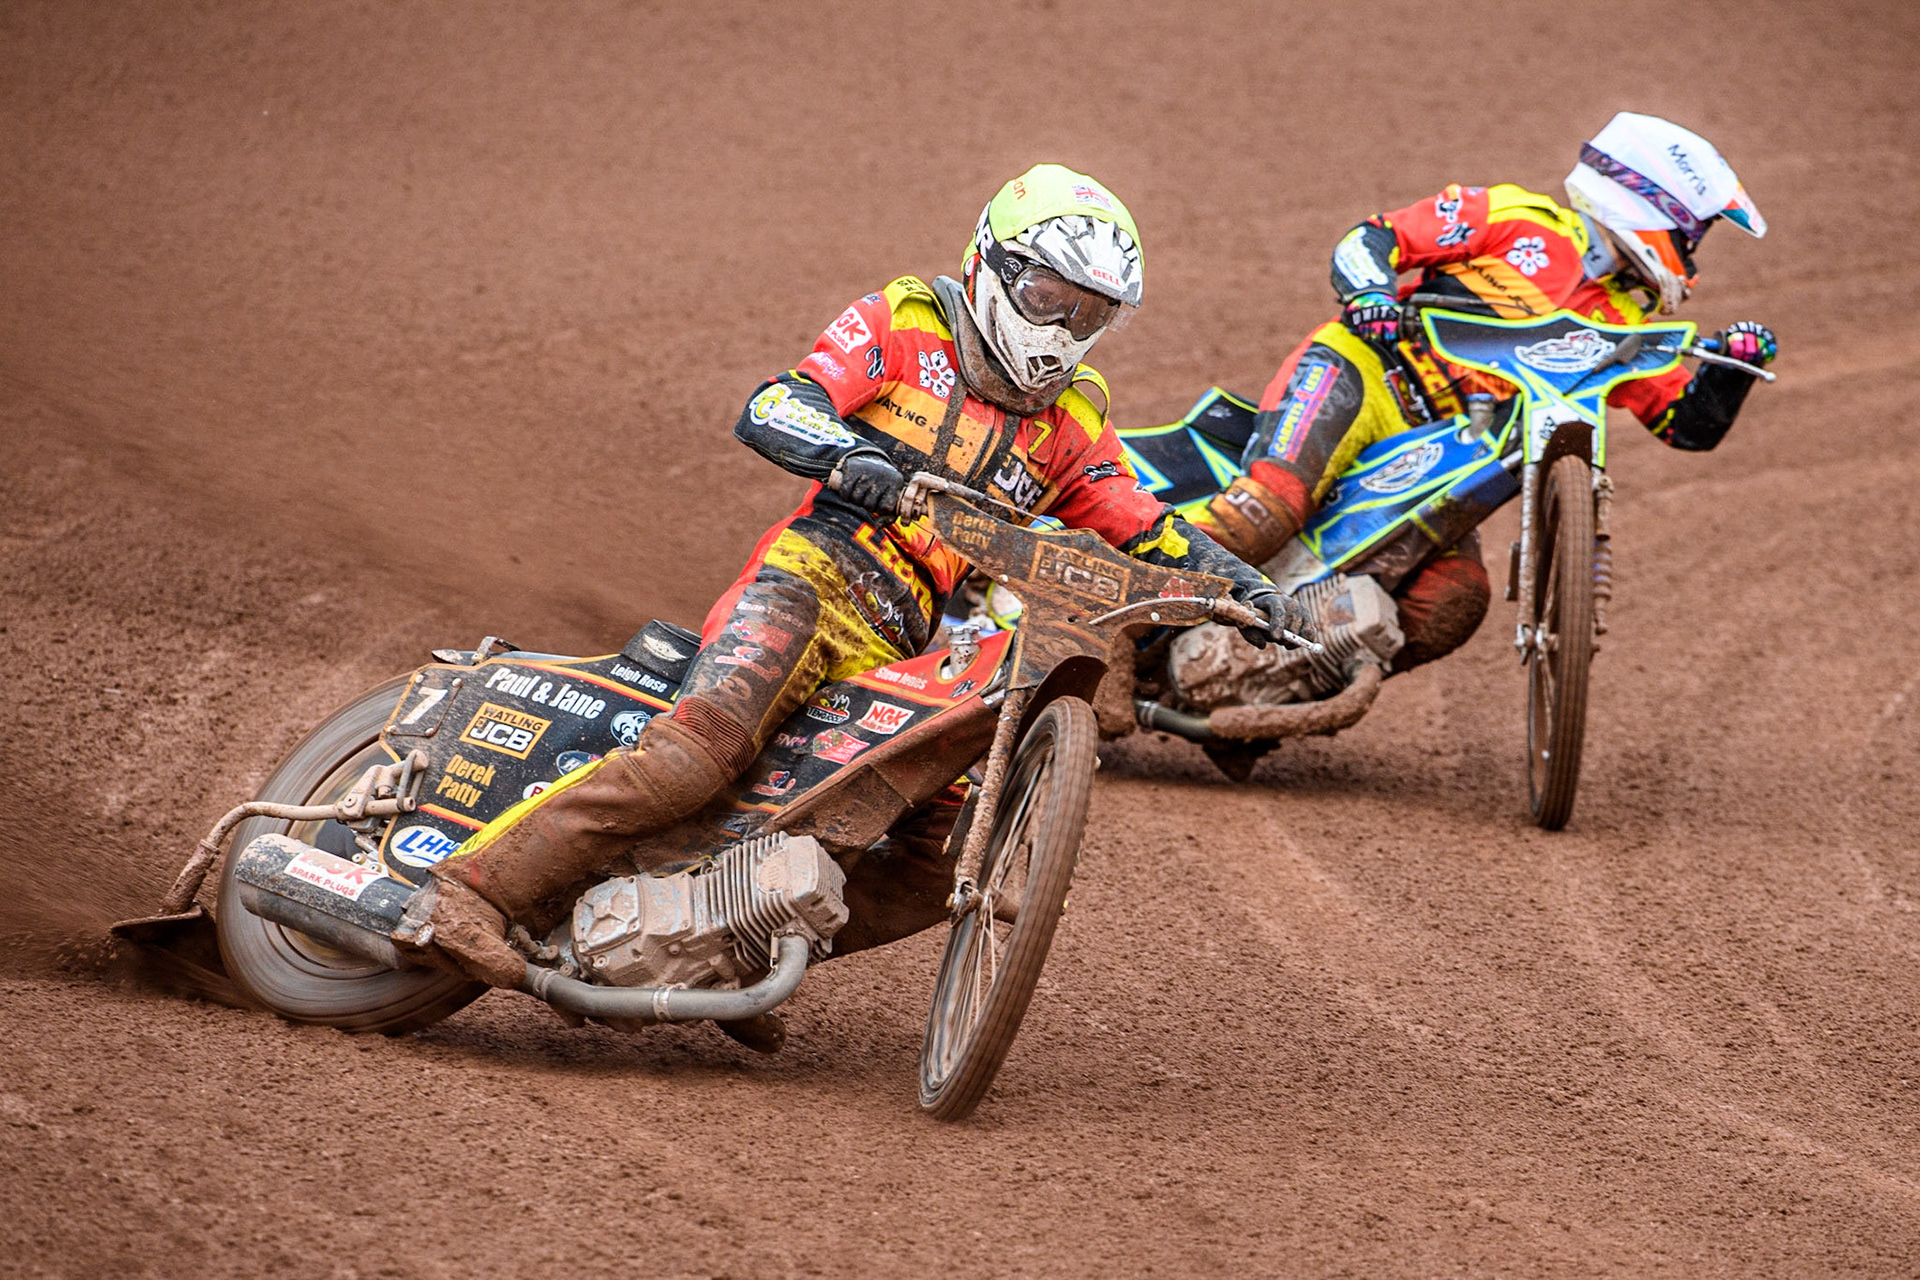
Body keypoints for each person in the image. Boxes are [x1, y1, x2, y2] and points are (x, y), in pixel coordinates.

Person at [417, 164, 1309, 1001]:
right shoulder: (905, 322)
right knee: (700, 756)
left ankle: (725, 952)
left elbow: (1142, 522)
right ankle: (467, 892)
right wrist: (850, 457)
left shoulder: (1073, 420)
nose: (1061, 330)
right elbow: (776, 403)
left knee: (940, 860)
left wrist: (1241, 585)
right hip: (810, 581)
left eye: (1089, 314)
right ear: (993, 263)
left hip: (901, 645)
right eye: (1048, 297)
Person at [1193, 112, 1778, 672]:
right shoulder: (1520, 220)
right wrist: (1371, 294)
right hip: (1364, 375)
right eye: (1693, 235)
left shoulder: (1625, 324)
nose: (1692, 257)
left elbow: (1686, 424)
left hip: (1449, 446)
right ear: (1654, 205)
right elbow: (1373, 237)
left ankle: (1275, 693)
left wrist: (1733, 368)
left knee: (1453, 598)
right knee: (1265, 513)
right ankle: (1114, 624)